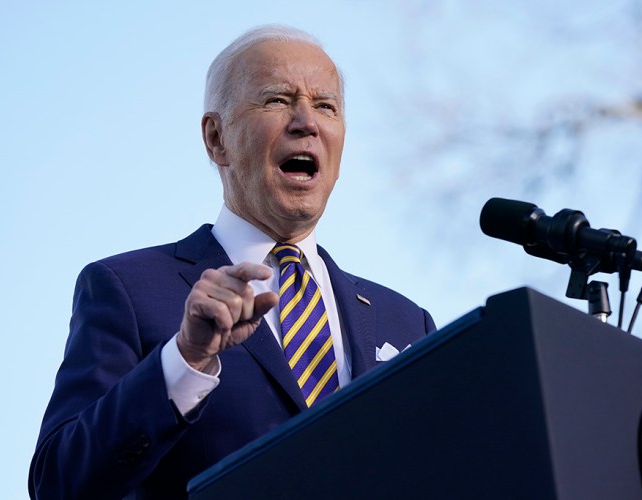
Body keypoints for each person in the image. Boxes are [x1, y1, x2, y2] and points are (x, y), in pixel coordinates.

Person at [29, 25, 436, 500]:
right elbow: (59, 484)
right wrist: (186, 358)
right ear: (216, 137)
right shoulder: (129, 289)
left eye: (326, 106)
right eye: (277, 100)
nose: (307, 122)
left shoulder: (407, 321)